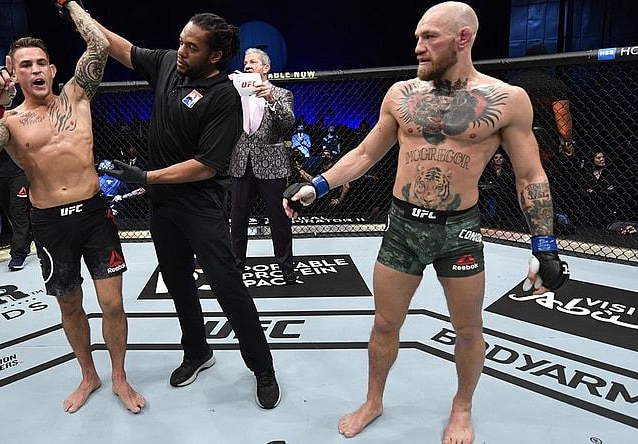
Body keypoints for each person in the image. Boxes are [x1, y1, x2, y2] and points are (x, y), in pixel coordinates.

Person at [283, 3, 570, 442]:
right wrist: (317, 186)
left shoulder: (507, 100)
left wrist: (544, 244)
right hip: (401, 227)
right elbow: (365, 154)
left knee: (469, 329)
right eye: (417, 36)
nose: (418, 46)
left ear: (463, 38)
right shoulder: (401, 95)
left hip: (459, 232)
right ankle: (373, 401)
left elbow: (529, 174)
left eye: (429, 37)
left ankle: (462, 406)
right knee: (384, 323)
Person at [96, 12, 281, 409]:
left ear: (215, 56)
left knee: (228, 287)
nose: (181, 51)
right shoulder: (167, 64)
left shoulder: (223, 97)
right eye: (181, 41)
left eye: (191, 47)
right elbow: (119, 46)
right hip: (163, 207)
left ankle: (262, 368)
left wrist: (144, 176)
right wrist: (76, 10)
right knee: (178, 283)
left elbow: (205, 166)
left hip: (201, 206)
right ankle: (197, 351)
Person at [0, 1, 144, 414]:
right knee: (69, 303)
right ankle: (89, 374)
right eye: (26, 64)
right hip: (48, 222)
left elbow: (99, 44)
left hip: (94, 215)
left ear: (52, 69)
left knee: (114, 303)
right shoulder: (7, 121)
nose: (36, 70)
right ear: (13, 73)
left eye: (42, 62)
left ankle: (119, 375)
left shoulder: (77, 95)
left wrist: (72, 7)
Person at [228, 47, 297, 284]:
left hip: (272, 165)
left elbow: (288, 122)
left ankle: (286, 266)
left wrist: (270, 99)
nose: (247, 66)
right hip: (241, 163)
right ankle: (236, 266)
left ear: (266, 68)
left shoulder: (281, 93)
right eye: (245, 62)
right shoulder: (235, 93)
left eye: (253, 62)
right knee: (237, 219)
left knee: (279, 219)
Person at [510, 44, 576, 216]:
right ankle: (546, 215)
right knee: (546, 176)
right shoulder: (554, 84)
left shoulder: (514, 84)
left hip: (517, 136)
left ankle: (512, 217)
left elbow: (505, 114)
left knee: (517, 175)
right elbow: (562, 117)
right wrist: (567, 141)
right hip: (545, 139)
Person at [0, 147, 32, 270]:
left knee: (17, 211)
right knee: (10, 212)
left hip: (18, 171)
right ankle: (26, 238)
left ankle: (18, 254)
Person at [580, 151, 617, 229]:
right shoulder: (586, 173)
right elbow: (582, 190)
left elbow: (613, 189)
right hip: (588, 207)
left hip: (605, 207)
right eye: (598, 157)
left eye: (603, 157)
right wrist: (603, 190)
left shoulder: (609, 173)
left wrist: (593, 191)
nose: (602, 159)